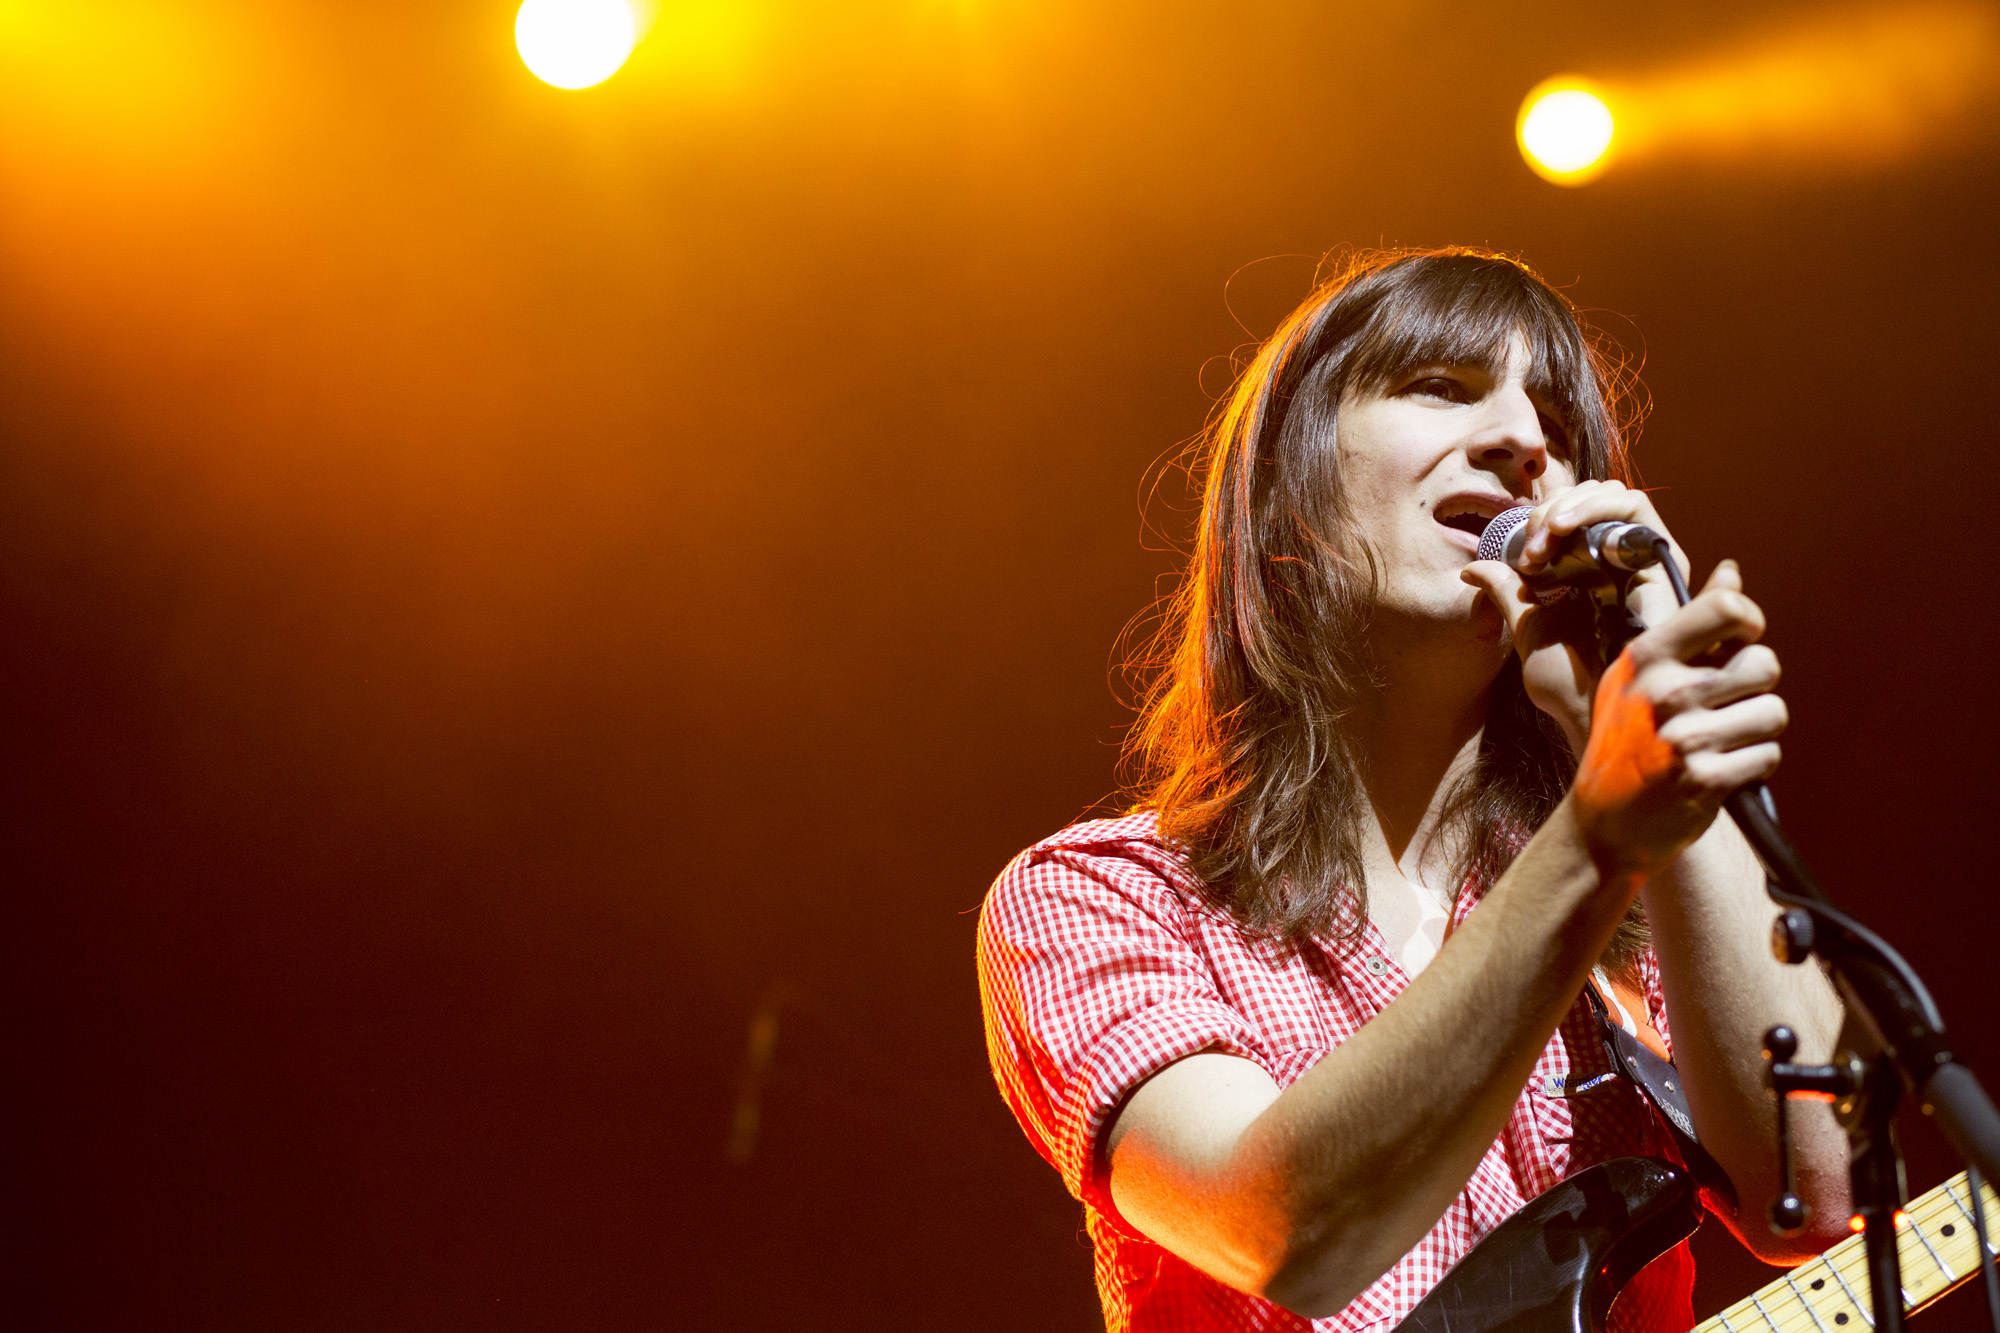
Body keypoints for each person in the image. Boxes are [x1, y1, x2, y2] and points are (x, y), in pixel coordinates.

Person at [975, 248, 1851, 1333]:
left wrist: (1651, 740)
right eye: (1438, 388)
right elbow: (1281, 1230)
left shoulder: (1631, 908)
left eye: (1558, 429)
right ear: (1289, 484)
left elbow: (1807, 1194)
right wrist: (1593, 834)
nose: (1523, 443)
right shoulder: (1099, 897)